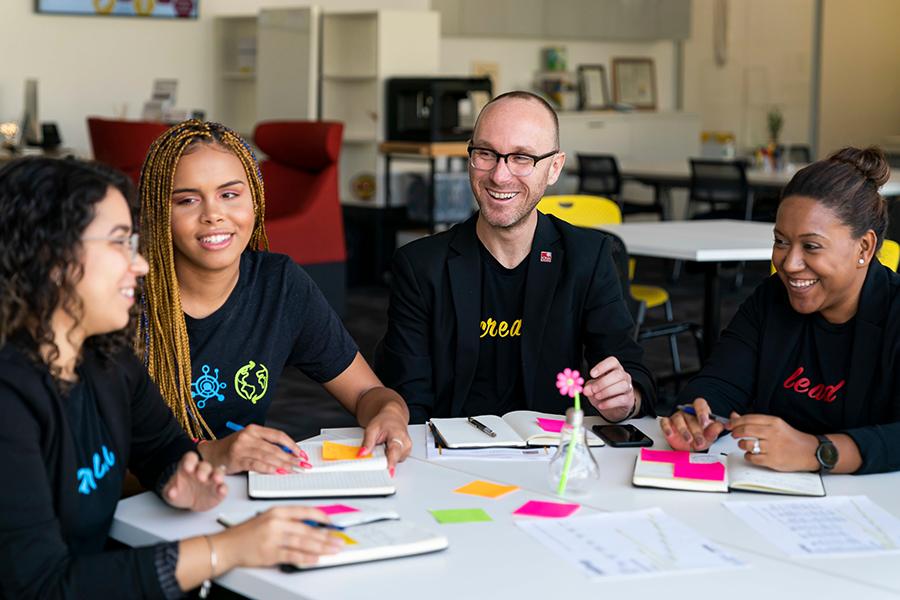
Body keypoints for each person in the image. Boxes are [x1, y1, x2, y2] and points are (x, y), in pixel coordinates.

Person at [0, 157, 344, 598]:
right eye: (119, 243)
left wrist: (177, 478)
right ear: (49, 255)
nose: (140, 265)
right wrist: (224, 550)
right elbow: (40, 587)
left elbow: (161, 447)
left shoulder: (105, 356)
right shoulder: (10, 397)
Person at [138, 120, 411, 474]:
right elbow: (95, 463)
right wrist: (213, 455)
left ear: (255, 198)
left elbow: (365, 394)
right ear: (159, 213)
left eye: (230, 194)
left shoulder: (278, 284)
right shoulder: (125, 300)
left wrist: (389, 414)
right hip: (141, 509)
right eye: (187, 200)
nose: (213, 214)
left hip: (239, 498)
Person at [375, 91, 655, 424]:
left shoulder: (587, 257)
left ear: (554, 168)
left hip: (553, 458)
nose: (499, 175)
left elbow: (631, 371)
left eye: (521, 158)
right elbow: (407, 400)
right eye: (485, 153)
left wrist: (627, 398)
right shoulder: (421, 267)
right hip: (449, 458)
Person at [661, 147, 900, 475]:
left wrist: (817, 451)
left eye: (811, 246)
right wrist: (698, 414)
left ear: (864, 247)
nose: (789, 264)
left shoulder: (894, 312)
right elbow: (720, 381)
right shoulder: (771, 300)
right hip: (770, 493)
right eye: (781, 241)